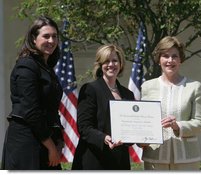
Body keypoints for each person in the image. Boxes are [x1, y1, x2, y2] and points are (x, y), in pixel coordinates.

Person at [1, 16, 63, 170]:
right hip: (27, 145)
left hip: (44, 141)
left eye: (54, 36)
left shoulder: (46, 68)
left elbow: (50, 108)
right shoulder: (27, 66)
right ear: (34, 39)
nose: (51, 41)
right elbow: (30, 111)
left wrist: (57, 140)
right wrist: (51, 147)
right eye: (46, 36)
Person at [140, 36, 201, 170]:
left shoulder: (194, 87)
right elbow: (143, 122)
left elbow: (200, 123)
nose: (170, 60)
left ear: (180, 59)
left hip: (187, 159)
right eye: (165, 56)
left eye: (175, 56)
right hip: (154, 157)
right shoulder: (147, 86)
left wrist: (177, 126)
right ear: (159, 60)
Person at [72, 44, 135, 170]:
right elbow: (84, 127)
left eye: (115, 60)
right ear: (100, 65)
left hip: (119, 161)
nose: (111, 64)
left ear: (121, 64)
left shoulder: (128, 94)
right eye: (106, 61)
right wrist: (104, 138)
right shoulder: (90, 89)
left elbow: (130, 129)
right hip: (94, 160)